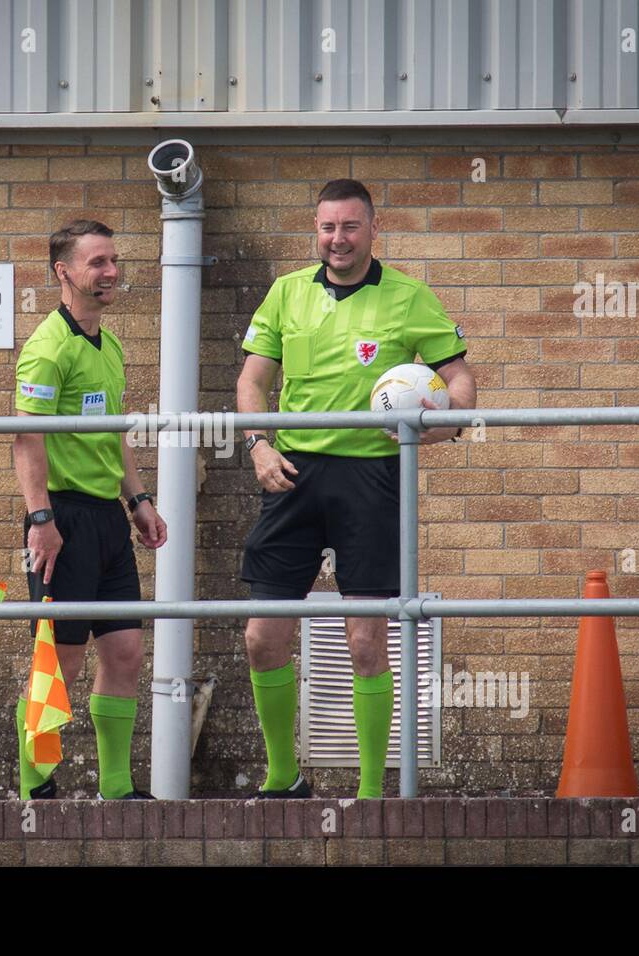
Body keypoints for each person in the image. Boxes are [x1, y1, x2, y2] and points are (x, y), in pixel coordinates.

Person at [238, 179, 478, 799]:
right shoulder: (287, 293)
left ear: (374, 229)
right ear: (314, 230)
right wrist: (259, 445)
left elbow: (459, 380)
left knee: (365, 639)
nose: (337, 239)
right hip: (290, 474)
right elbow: (252, 382)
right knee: (262, 635)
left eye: (349, 226)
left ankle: (374, 797)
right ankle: (283, 777)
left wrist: (439, 429)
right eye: (326, 227)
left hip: (372, 477)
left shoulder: (409, 296)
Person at [13, 219, 167, 800]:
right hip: (63, 519)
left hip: (107, 519)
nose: (110, 272)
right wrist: (40, 519)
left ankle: (118, 789)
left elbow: (117, 434)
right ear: (64, 273)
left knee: (125, 651)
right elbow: (26, 439)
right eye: (97, 262)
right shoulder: (47, 347)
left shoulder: (112, 343)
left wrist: (139, 501)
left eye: (113, 261)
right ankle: (34, 784)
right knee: (63, 661)